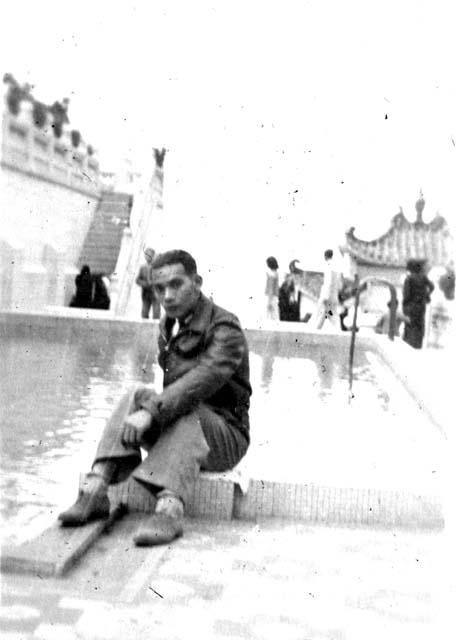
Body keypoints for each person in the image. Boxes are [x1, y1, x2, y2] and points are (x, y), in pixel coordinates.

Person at [58, 250, 251, 546]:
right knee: (136, 393)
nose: (167, 296)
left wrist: (151, 413)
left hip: (225, 437)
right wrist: (147, 408)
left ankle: (169, 510)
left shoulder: (225, 327)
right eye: (160, 288)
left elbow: (201, 381)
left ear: (197, 283)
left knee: (186, 408)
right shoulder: (168, 325)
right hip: (183, 429)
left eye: (176, 285)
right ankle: (96, 490)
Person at [402, 259, 434, 349]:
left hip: (411, 306)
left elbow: (406, 294)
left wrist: (405, 306)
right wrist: (426, 296)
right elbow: (432, 286)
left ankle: (408, 346)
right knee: (419, 326)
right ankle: (417, 346)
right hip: (421, 306)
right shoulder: (423, 277)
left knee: (409, 326)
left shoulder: (409, 278)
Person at [314, 249, 341, 329]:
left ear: (325, 256)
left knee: (321, 312)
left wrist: (326, 296)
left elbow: (328, 282)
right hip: (334, 295)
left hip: (328, 295)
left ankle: (316, 329)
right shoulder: (337, 267)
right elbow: (339, 284)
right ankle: (338, 330)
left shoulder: (328, 266)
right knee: (333, 315)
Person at [136, 247, 160, 319]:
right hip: (146, 294)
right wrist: (145, 284)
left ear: (153, 256)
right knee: (144, 313)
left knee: (156, 313)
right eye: (146, 255)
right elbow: (137, 280)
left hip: (155, 294)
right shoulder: (143, 267)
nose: (147, 257)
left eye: (149, 255)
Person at [265, 256, 280, 320]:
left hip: (271, 297)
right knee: (275, 315)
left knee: (269, 315)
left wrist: (269, 301)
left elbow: (271, 289)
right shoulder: (276, 273)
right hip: (275, 296)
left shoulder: (271, 274)